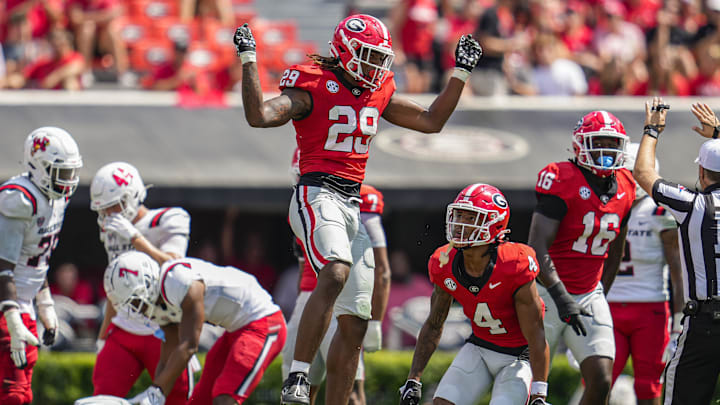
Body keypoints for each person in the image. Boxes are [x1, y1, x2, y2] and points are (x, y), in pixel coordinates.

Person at [234, 14, 482, 405]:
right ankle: (297, 378)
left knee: (356, 322)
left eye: (379, 57)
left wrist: (461, 73)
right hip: (316, 192)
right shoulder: (312, 84)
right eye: (367, 56)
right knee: (334, 271)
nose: (375, 66)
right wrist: (249, 61)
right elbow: (259, 116)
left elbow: (431, 121)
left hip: (353, 201)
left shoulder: (378, 87)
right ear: (345, 52)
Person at [399, 183, 550, 405]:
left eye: (470, 218)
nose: (460, 224)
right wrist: (414, 379)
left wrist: (539, 392)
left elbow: (536, 332)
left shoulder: (514, 263)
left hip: (517, 357)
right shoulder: (444, 261)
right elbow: (434, 324)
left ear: (494, 223)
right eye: (459, 215)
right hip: (478, 347)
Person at [528, 110, 635, 405]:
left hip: (588, 293)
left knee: (601, 380)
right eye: (597, 141)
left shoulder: (626, 185)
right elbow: (537, 246)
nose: (605, 150)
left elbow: (615, 252)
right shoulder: (562, 177)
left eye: (611, 143)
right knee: (527, 382)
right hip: (546, 293)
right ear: (580, 144)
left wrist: (599, 294)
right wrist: (562, 298)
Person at [104, 251, 287, 405]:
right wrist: (156, 395)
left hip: (263, 323)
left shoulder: (179, 281)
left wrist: (156, 390)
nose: (136, 309)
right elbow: (168, 356)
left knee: (224, 397)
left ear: (147, 282)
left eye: (135, 301)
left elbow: (189, 345)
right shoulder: (158, 302)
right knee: (200, 400)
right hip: (234, 330)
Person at [634, 97, 720, 404]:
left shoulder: (692, 204)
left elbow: (643, 173)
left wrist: (652, 130)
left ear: (701, 174)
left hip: (705, 325)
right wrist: (718, 134)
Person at [89, 162, 194, 404]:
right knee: (101, 398)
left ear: (133, 195)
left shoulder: (169, 218)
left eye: (113, 205)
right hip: (124, 327)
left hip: (163, 329)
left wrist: (136, 238)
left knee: (177, 399)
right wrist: (103, 335)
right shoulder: (112, 229)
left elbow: (175, 268)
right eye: (104, 209)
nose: (109, 214)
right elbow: (116, 287)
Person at [281, 180, 392, 405]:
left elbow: (381, 268)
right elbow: (381, 269)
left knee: (340, 393)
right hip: (320, 302)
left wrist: (376, 321)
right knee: (305, 395)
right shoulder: (306, 198)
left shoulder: (314, 200)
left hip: (329, 302)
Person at [0, 126, 82, 405]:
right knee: (12, 392)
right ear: (39, 167)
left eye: (71, 172)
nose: (69, 181)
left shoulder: (54, 201)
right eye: (62, 173)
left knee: (23, 391)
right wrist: (11, 319)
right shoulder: (20, 200)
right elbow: (3, 267)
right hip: (5, 304)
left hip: (23, 303)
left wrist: (45, 305)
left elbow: (38, 259)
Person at [606, 142, 684, 405]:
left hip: (650, 308)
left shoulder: (659, 211)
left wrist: (678, 319)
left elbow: (678, 270)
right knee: (599, 380)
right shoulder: (605, 206)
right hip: (608, 307)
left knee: (647, 387)